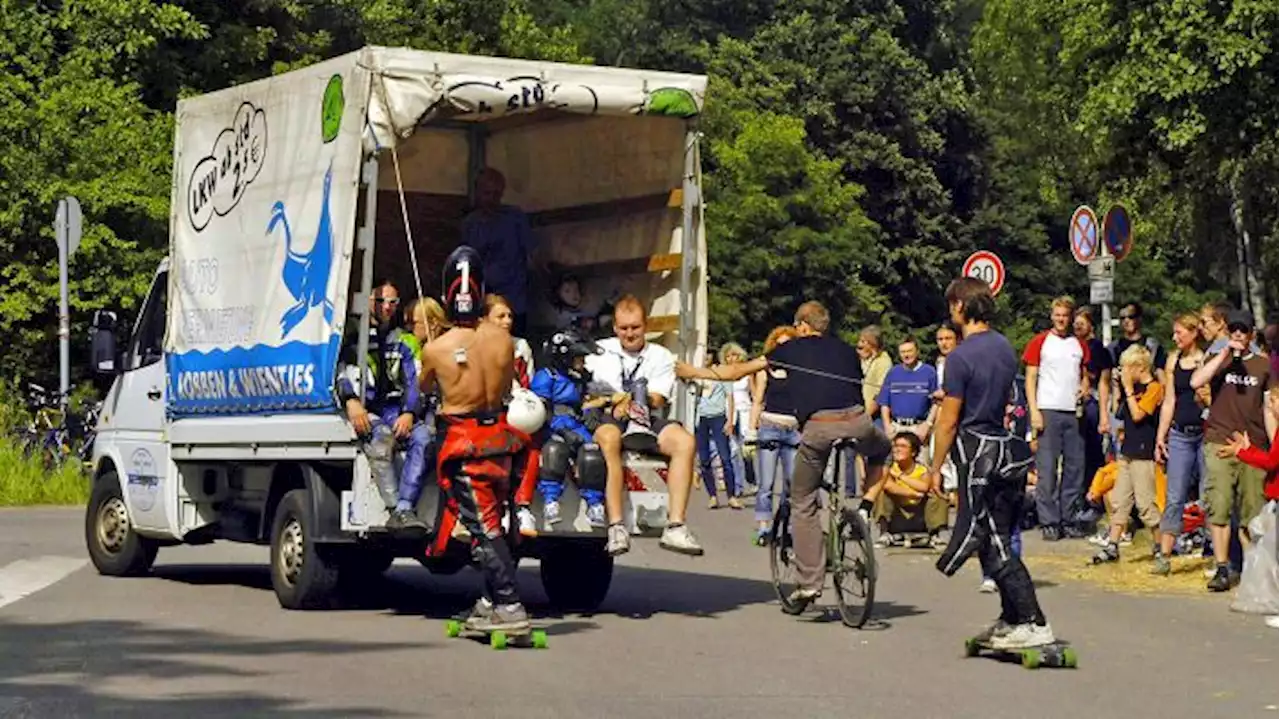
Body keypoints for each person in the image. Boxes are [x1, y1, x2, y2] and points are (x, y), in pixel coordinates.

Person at [677, 301, 891, 611]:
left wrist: (692, 371)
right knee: (883, 450)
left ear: (803, 325)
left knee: (802, 499)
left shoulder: (790, 350)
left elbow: (736, 370)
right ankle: (864, 509)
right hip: (857, 422)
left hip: (819, 427)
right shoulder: (846, 349)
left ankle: (810, 582)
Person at [929, 277, 1054, 650]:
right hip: (1007, 450)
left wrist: (936, 467)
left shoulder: (960, 357)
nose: (950, 312)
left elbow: (949, 421)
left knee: (991, 540)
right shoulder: (1003, 346)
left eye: (953, 305)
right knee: (995, 535)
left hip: (977, 452)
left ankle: (1034, 620)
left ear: (961, 307)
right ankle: (1011, 616)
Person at [420, 245, 537, 632]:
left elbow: (424, 390)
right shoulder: (505, 341)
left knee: (485, 527)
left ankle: (508, 604)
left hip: (464, 443)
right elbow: (505, 385)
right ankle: (490, 602)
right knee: (496, 524)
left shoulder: (435, 349)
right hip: (501, 437)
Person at [584, 295, 704, 557]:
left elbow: (659, 397)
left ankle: (676, 525)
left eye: (635, 328)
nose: (629, 334)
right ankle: (616, 526)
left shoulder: (661, 356)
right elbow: (586, 390)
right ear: (615, 328)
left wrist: (637, 401)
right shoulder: (597, 351)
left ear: (645, 326)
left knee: (685, 441)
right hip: (608, 415)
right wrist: (609, 402)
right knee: (609, 440)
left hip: (645, 414)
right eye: (624, 328)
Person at [1192, 309, 1277, 592]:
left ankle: (1255, 570)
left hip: (1251, 444)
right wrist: (1224, 354)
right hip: (1219, 440)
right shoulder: (1221, 360)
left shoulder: (1263, 366)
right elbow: (1196, 382)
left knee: (1253, 511)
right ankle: (1222, 567)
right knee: (1219, 504)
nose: (1238, 335)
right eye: (1234, 330)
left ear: (1252, 334)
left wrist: (1273, 441)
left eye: (1243, 331)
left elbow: (1268, 406)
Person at [336, 280, 429, 533]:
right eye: (380, 301)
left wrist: (409, 412)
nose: (386, 307)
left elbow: (414, 380)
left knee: (423, 437)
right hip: (365, 408)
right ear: (368, 302)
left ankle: (404, 508)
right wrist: (351, 401)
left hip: (394, 409)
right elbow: (339, 371)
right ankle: (391, 508)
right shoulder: (351, 336)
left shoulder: (405, 341)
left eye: (392, 302)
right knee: (381, 438)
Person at [522, 327, 609, 533]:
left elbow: (591, 399)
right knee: (554, 450)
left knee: (592, 453)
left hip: (576, 423)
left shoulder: (582, 380)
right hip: (554, 424)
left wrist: (594, 409)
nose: (583, 363)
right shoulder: (547, 377)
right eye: (579, 358)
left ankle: (594, 503)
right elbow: (539, 409)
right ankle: (551, 500)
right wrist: (558, 429)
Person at [1023, 296, 1091, 541]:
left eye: (1065, 315)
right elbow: (1030, 379)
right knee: (1047, 469)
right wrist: (1034, 412)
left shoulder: (1078, 344)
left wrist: (1085, 387)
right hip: (1048, 409)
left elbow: (1085, 374)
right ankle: (1049, 520)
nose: (1062, 319)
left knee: (1074, 467)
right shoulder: (1040, 342)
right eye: (1058, 315)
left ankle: (1069, 517)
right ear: (1052, 316)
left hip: (1073, 412)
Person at [1091, 345, 1164, 565]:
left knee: (1145, 505)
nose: (1123, 371)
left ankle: (1161, 545)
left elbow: (1139, 414)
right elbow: (1120, 412)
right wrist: (1118, 388)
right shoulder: (1131, 388)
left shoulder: (1154, 388)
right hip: (1127, 452)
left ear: (1139, 367)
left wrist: (1129, 389)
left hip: (1144, 453)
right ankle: (1112, 545)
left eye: (1126, 367)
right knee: (1119, 501)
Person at [1153, 313, 1210, 574]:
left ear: (1193, 333)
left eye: (1180, 333)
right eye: (1174, 333)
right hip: (1180, 433)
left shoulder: (1206, 359)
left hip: (1205, 431)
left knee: (1208, 492)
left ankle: (1213, 546)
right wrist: (1160, 436)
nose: (1175, 338)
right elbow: (1169, 400)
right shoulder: (1173, 361)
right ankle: (1164, 553)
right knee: (1174, 495)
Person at [461, 168, 536, 336]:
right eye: (487, 193)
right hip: (483, 303)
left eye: (497, 193)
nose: (492, 199)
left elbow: (532, 255)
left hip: (515, 301)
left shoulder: (515, 218)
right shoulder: (470, 224)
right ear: (477, 192)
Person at [750, 326, 801, 545]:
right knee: (766, 483)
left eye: (788, 345)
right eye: (779, 345)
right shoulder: (766, 369)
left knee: (792, 483)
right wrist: (751, 430)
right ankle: (764, 528)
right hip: (769, 425)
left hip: (793, 429)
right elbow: (758, 400)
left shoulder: (800, 371)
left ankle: (788, 527)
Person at [872, 432, 949, 548]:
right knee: (881, 492)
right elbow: (888, 485)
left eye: (902, 446)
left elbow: (924, 487)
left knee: (936, 493)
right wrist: (913, 493)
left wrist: (900, 476)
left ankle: (935, 534)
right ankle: (884, 533)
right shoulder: (889, 468)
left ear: (913, 452)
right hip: (897, 513)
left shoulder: (922, 469)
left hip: (919, 513)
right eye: (896, 446)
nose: (897, 450)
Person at [878, 337, 938, 464]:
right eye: (903, 352)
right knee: (894, 467)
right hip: (897, 427)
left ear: (917, 352)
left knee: (922, 468)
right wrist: (887, 426)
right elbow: (884, 402)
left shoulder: (929, 372)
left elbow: (936, 402)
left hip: (918, 427)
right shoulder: (893, 373)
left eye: (909, 351)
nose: (906, 355)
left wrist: (928, 424)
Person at [694, 357, 743, 509]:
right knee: (704, 459)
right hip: (701, 418)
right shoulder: (698, 375)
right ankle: (712, 496)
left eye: (708, 355)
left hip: (718, 416)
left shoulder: (721, 373)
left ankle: (731, 495)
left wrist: (730, 421)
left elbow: (730, 398)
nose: (705, 358)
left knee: (725, 458)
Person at [483, 294, 534, 390]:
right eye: (501, 316)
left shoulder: (520, 345)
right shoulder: (474, 346)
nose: (508, 321)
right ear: (484, 319)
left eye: (510, 316)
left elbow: (527, 383)